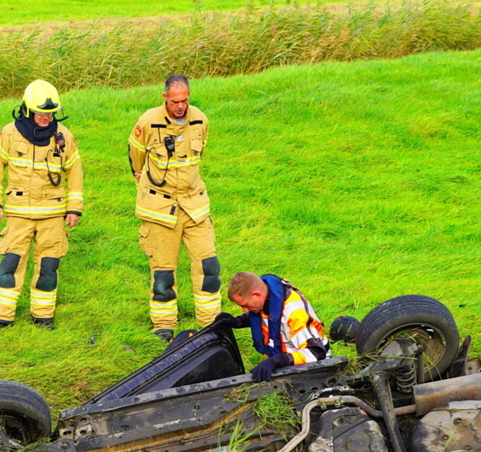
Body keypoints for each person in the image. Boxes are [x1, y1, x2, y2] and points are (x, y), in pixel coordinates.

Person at [128, 74, 220, 342]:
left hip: (195, 206)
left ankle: (211, 325)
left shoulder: (200, 119)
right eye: (175, 100)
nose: (180, 106)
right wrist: (140, 174)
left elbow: (199, 155)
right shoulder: (147, 121)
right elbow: (135, 155)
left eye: (185, 100)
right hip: (160, 208)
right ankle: (163, 326)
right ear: (164, 97)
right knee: (163, 273)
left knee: (209, 267)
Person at [0, 79, 83, 329]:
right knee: (10, 266)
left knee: (49, 267)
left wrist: (74, 208)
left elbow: (75, 172)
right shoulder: (9, 133)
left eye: (50, 113)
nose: (45, 118)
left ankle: (43, 317)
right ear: (28, 109)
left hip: (53, 214)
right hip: (18, 214)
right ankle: (1, 318)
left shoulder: (63, 136)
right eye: (40, 112)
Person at [217, 272, 331, 381]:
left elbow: (317, 353)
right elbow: (269, 316)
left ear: (257, 295)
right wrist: (238, 321)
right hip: (285, 359)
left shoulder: (294, 314)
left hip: (313, 366)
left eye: (245, 305)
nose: (244, 309)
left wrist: (277, 361)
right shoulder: (267, 295)